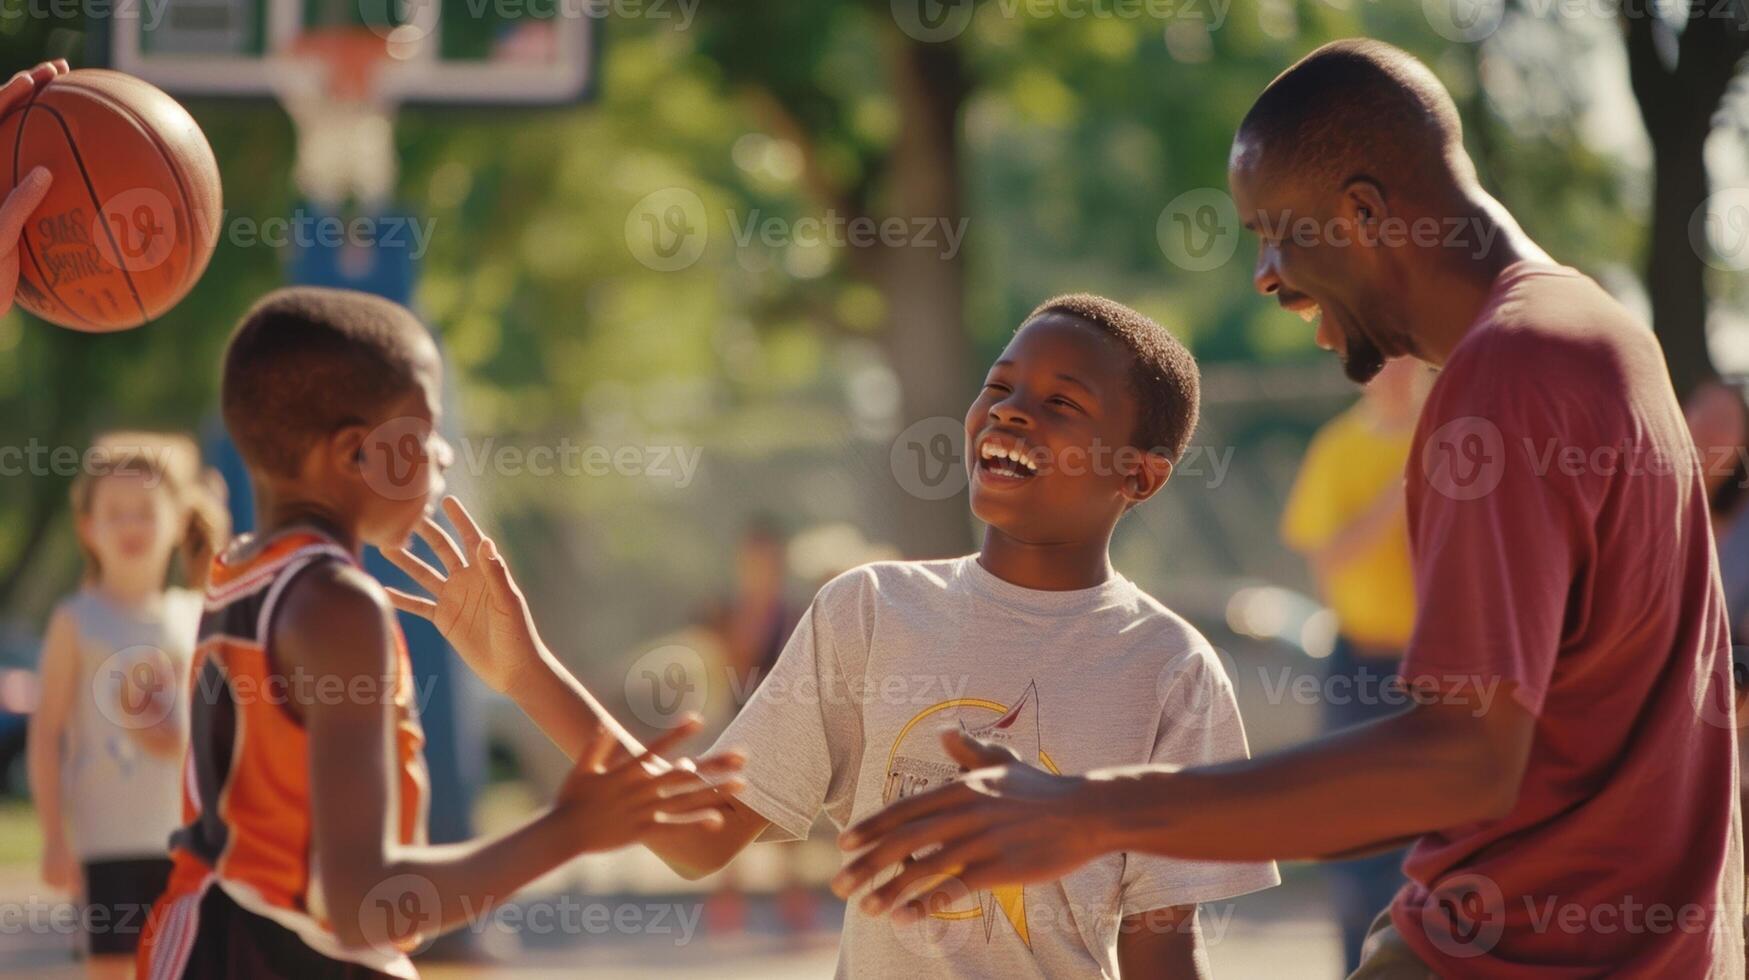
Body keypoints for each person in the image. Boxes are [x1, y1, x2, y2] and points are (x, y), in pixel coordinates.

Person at [828, 39, 1745, 979]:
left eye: (1277, 231)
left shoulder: (1507, 375)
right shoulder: (1601, 336)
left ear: (1362, 212)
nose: (1264, 274)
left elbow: (1460, 761)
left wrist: (1086, 813)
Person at [388, 294, 1280, 977]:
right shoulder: (872, 609)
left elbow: (1166, 951)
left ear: (1142, 473)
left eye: (1061, 404)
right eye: (998, 386)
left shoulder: (1170, 670)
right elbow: (696, 838)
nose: (1010, 412)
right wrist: (525, 669)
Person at [133, 287, 742, 979]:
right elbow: (365, 904)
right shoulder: (338, 606)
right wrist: (569, 830)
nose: (444, 455)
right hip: (272, 955)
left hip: (203, 945)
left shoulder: (240, 571)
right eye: (425, 431)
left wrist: (524, 670)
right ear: (355, 453)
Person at [29, 434, 225, 978]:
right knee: (115, 969)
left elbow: (214, 731)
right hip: (108, 841)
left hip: (188, 843)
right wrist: (53, 839)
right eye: (115, 513)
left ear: (178, 520)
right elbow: (46, 735)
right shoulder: (77, 620)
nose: (131, 525)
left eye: (145, 511)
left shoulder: (195, 616)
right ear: (88, 528)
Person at [1279, 354, 1424, 972]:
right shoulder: (1338, 447)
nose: (1393, 373)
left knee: (1428, 829)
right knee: (1352, 820)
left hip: (1436, 664)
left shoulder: (1448, 435)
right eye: (1382, 363)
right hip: (1361, 663)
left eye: (1404, 360)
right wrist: (1396, 500)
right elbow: (1328, 558)